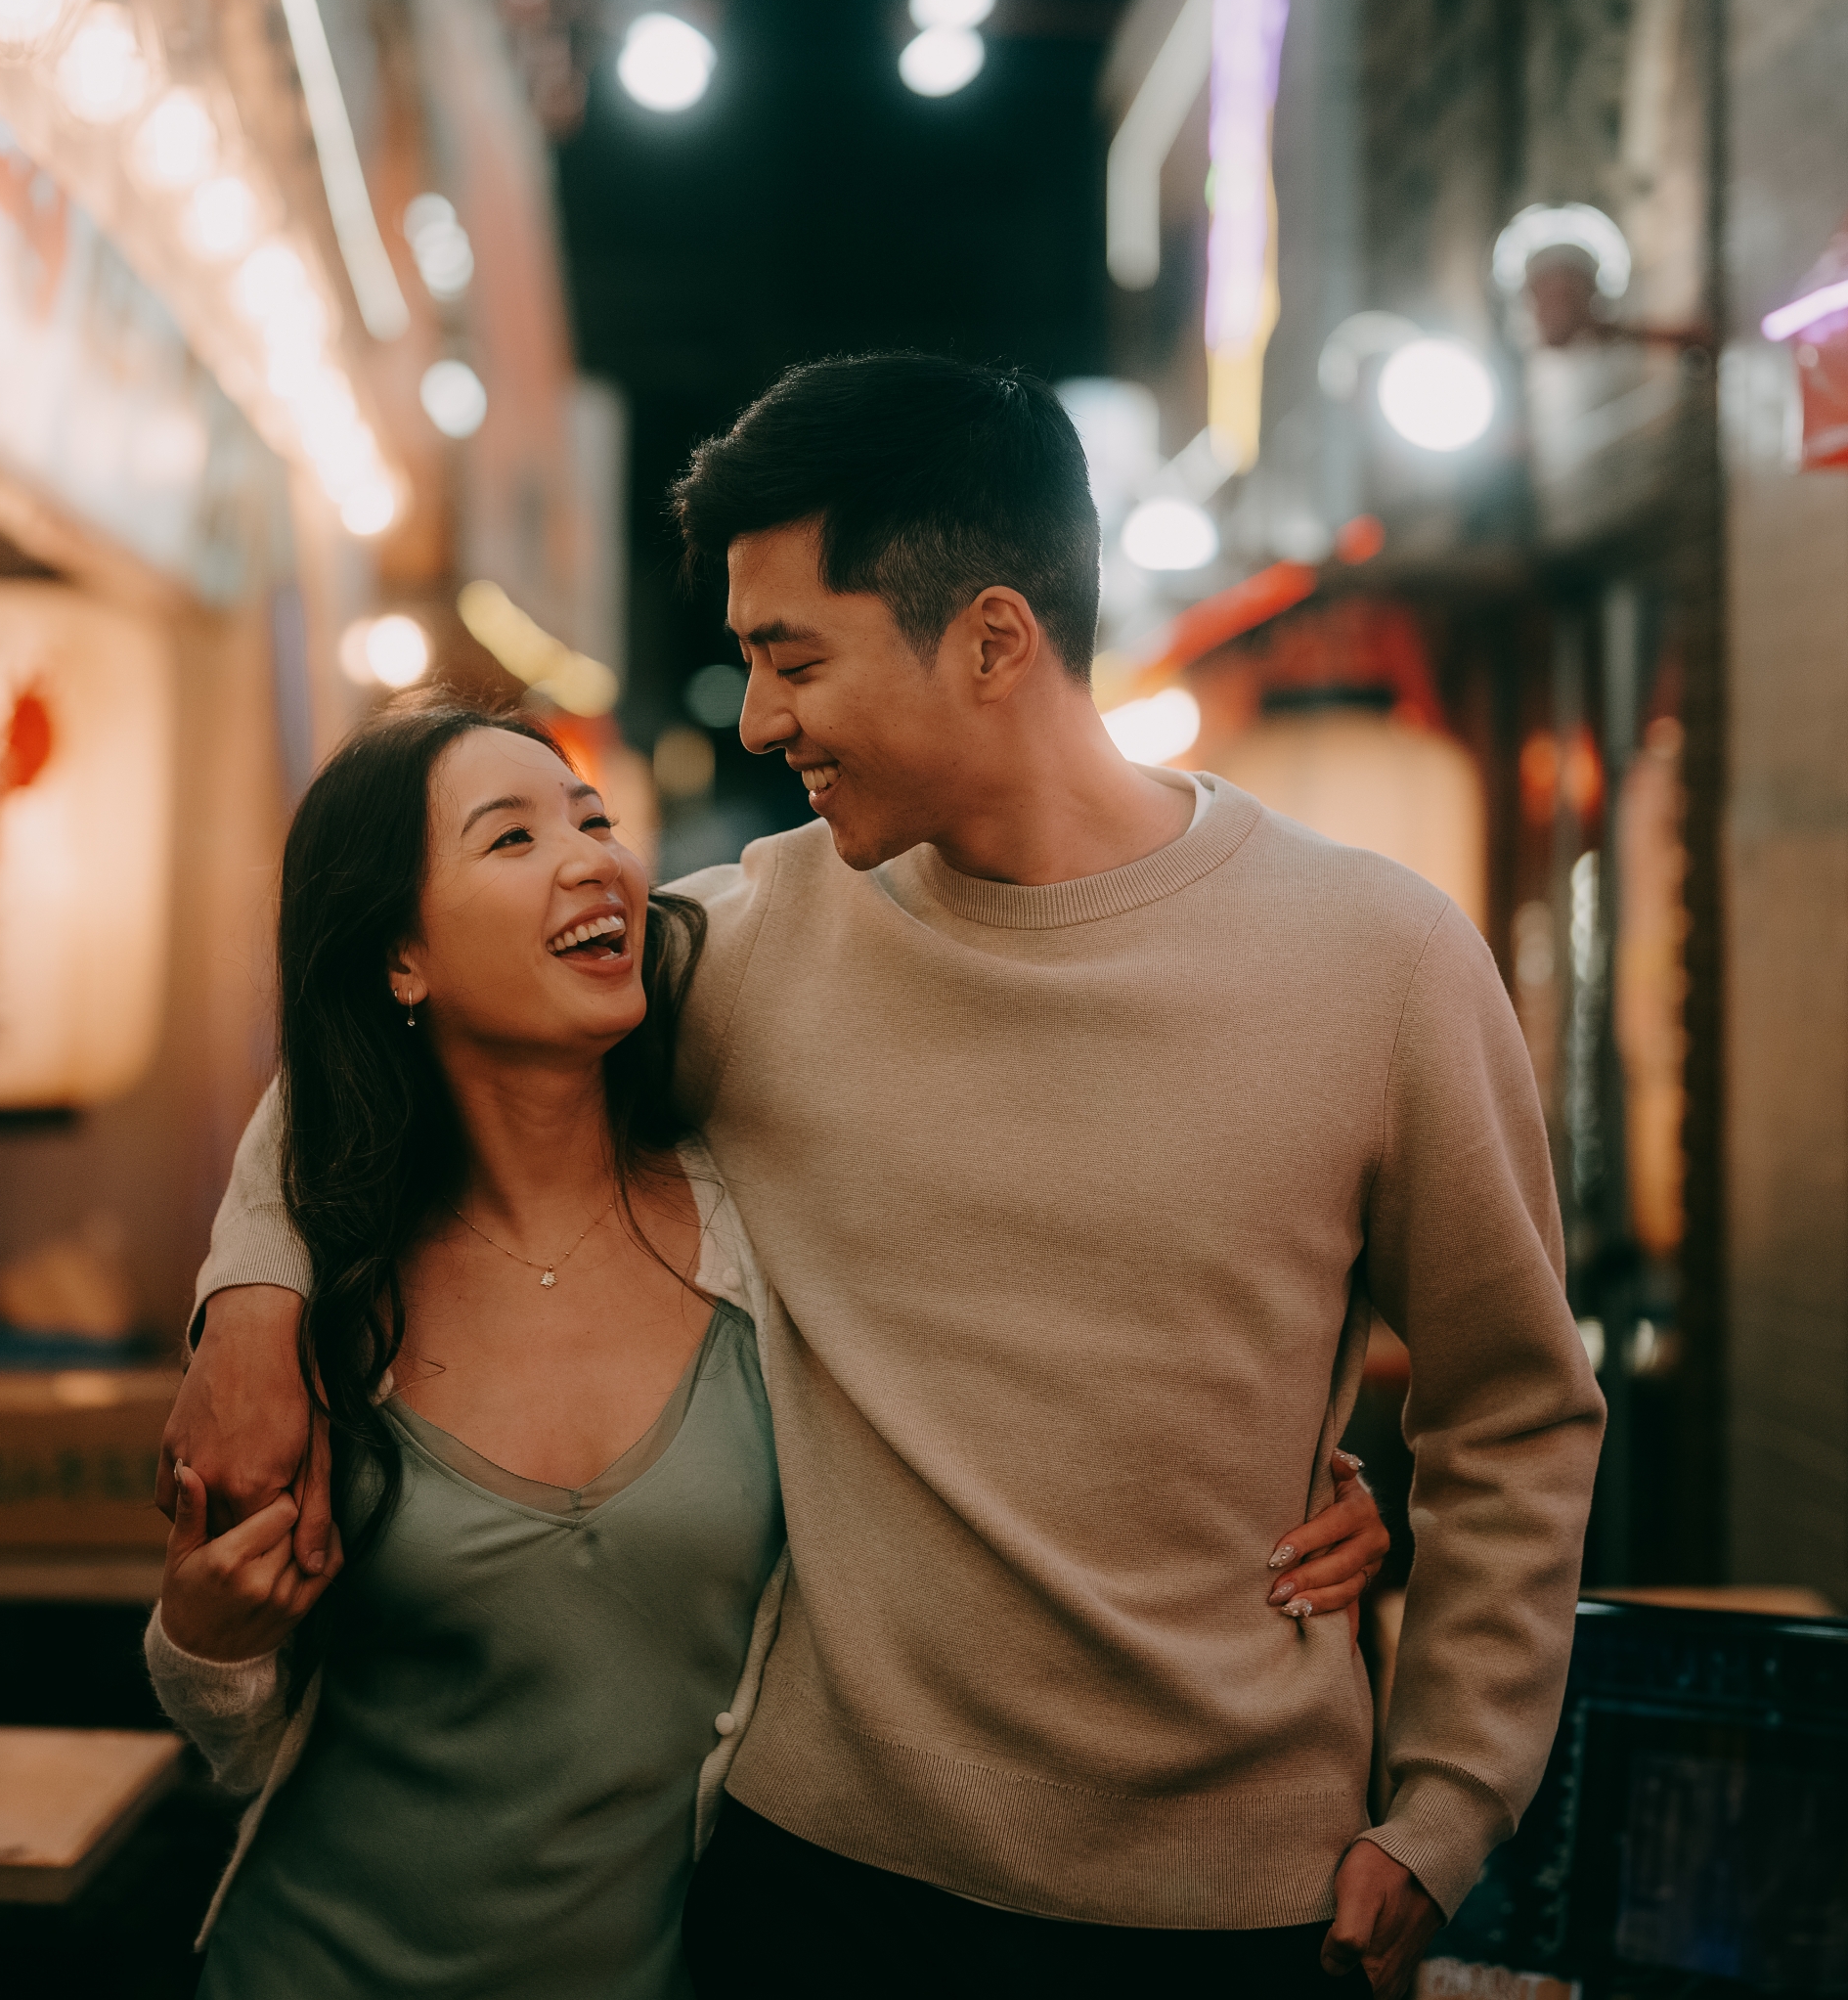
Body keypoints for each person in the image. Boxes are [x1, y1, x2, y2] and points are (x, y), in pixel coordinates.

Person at [174, 353, 1604, 1996]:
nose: (758, 716)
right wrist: (252, 1296)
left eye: (794, 659)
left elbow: (1513, 1408)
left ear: (992, 640)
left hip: (1225, 1901)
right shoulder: (750, 949)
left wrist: (1449, 1801)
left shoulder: (1380, 959)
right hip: (816, 1882)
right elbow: (402, 1037)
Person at [146, 699, 1390, 1997]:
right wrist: (207, 1636)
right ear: (401, 959)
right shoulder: (331, 1294)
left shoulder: (758, 1223)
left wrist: (1259, 1487)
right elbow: (240, 1738)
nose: (592, 861)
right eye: (510, 839)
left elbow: (1020, 1360)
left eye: (594, 822)